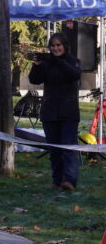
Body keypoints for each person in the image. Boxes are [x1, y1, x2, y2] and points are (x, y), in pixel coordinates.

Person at [28, 33, 82, 191]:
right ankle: (57, 180)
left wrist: (57, 61)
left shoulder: (73, 61)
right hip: (50, 112)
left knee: (68, 148)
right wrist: (37, 65)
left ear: (64, 46)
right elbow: (35, 79)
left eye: (58, 45)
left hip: (69, 112)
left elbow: (74, 74)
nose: (55, 48)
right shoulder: (47, 63)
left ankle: (69, 181)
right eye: (52, 45)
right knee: (54, 150)